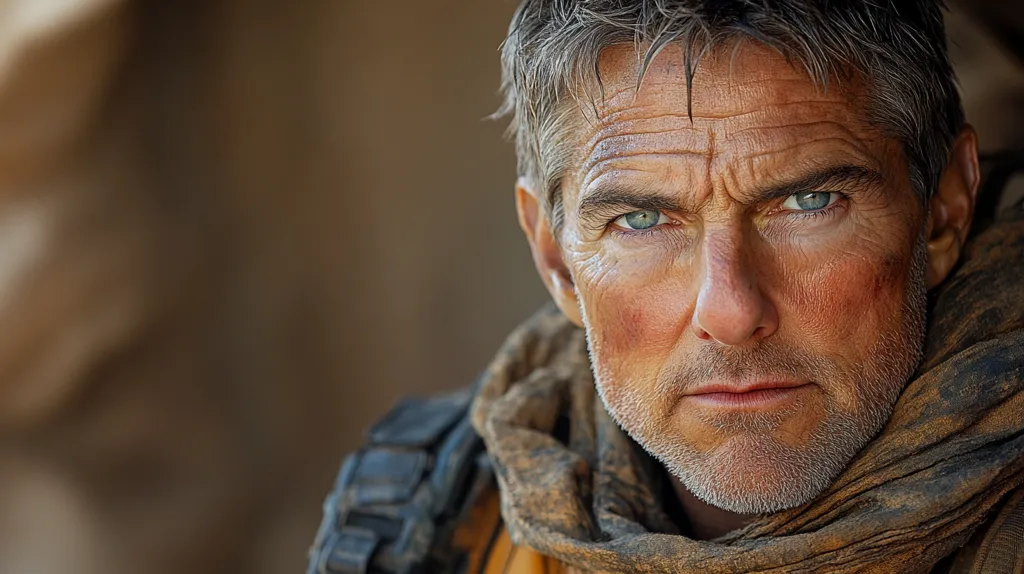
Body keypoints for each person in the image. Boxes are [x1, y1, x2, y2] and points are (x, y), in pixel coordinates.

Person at [308, 1, 1024, 572]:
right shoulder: (423, 516)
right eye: (641, 220)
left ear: (943, 212)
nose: (731, 311)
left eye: (809, 203)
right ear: (555, 258)